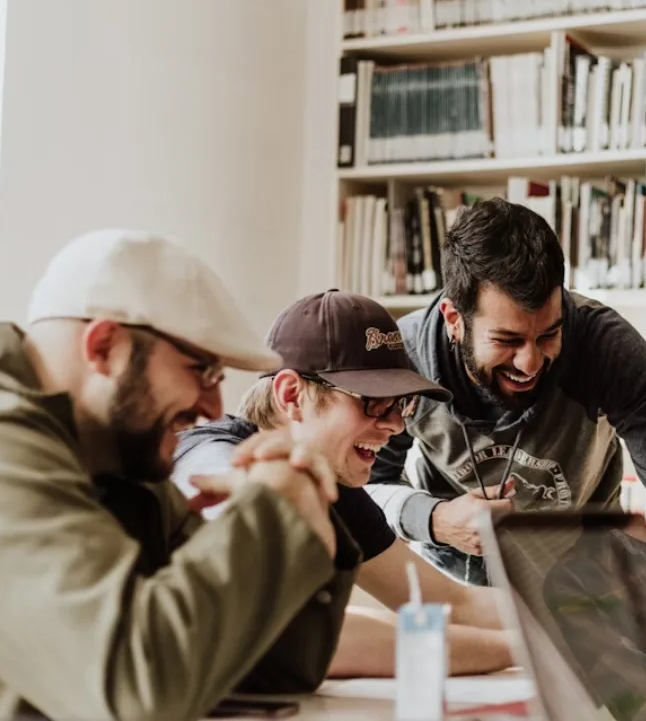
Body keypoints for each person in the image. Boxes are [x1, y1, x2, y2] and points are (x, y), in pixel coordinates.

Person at [0, 229, 356, 719]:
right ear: (104, 346)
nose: (215, 408)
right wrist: (274, 514)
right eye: (202, 370)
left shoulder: (107, 459)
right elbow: (135, 691)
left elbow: (269, 669)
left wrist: (303, 509)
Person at [365, 197, 646, 631]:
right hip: (458, 596)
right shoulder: (403, 359)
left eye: (549, 334)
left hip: (588, 586)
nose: (530, 363)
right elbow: (365, 489)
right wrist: (434, 519)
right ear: (454, 318)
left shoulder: (606, 347)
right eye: (507, 340)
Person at [171, 288, 514, 678]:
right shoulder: (210, 459)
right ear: (291, 396)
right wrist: (521, 650)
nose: (396, 425)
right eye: (373, 402)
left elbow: (450, 603)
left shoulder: (332, 486)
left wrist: (571, 621)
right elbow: (299, 633)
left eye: (400, 405)